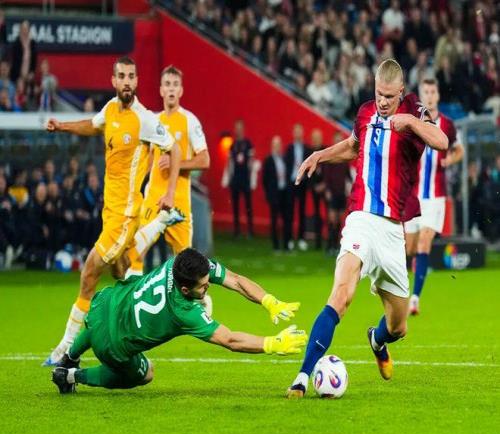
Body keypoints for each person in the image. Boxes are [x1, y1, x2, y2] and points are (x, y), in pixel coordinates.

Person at [286, 59, 448, 398]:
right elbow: (353, 146)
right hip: (360, 218)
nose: (383, 102)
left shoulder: (415, 110)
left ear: (401, 92)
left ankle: (377, 339)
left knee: (398, 326)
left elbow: (441, 142)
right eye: (378, 94)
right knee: (341, 295)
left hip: (392, 231)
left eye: (389, 96)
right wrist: (319, 155)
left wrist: (410, 122)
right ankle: (301, 377)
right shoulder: (364, 112)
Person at [43, 56, 183, 366]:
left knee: (90, 272)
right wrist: (62, 126)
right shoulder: (109, 109)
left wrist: (171, 192)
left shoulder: (144, 119)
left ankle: (65, 348)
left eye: (132, 76)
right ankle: (161, 222)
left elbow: (173, 149)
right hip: (110, 211)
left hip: (125, 215)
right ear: (114, 81)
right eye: (122, 76)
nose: (127, 82)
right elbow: (94, 125)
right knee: (122, 273)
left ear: (137, 80)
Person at [51, 248, 307, 394]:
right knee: (146, 373)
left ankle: (69, 356)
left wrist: (268, 301)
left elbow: (236, 281)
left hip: (105, 303)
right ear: (185, 290)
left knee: (101, 323)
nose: (208, 287)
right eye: (203, 287)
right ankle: (71, 376)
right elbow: (229, 339)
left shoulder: (180, 263)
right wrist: (272, 343)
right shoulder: (184, 312)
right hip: (112, 346)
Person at [126, 65, 210, 275]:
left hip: (179, 201)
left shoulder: (189, 121)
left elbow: (204, 160)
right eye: (167, 84)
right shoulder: (153, 121)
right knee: (135, 252)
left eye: (175, 85)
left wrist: (176, 163)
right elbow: (149, 160)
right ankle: (135, 293)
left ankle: (188, 295)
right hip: (153, 198)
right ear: (161, 90)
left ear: (181, 90)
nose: (171, 88)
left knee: (186, 264)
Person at [405, 78, 464, 315]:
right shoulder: (413, 121)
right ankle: (407, 271)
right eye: (426, 92)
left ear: (438, 95)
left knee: (424, 242)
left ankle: (414, 299)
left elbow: (459, 149)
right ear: (421, 95)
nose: (429, 96)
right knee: (408, 248)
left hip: (435, 196)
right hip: (413, 194)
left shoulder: (447, 124)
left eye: (432, 92)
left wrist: (451, 159)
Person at [284, 123, 311, 251]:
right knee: (289, 211)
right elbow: (286, 165)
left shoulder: (306, 149)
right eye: (296, 131)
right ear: (293, 133)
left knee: (302, 211)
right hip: (291, 182)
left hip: (303, 183)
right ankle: (289, 238)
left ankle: (301, 239)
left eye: (300, 131)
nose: (298, 134)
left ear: (302, 133)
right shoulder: (289, 148)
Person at [226, 119, 254, 237]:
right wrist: (229, 178)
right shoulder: (232, 145)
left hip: (245, 178)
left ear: (243, 129)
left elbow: (251, 161)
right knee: (235, 205)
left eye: (240, 128)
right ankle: (236, 230)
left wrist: (251, 178)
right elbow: (229, 163)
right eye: (236, 128)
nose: (238, 130)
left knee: (248, 205)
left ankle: (250, 230)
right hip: (235, 179)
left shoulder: (248, 143)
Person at [262, 135, 290, 251]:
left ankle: (286, 245)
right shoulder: (268, 160)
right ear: (272, 146)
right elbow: (265, 179)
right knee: (274, 221)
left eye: (279, 145)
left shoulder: (284, 159)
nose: (278, 147)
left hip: (284, 193)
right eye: (276, 145)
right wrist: (269, 194)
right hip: (274, 194)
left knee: (286, 219)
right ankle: (276, 245)